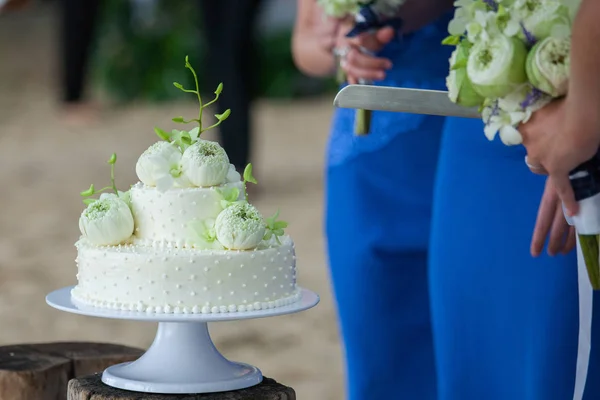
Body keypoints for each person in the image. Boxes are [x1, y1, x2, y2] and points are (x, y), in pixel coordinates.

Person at [293, 1, 454, 398]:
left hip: (469, 131)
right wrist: (342, 48)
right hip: (367, 157)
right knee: (379, 341)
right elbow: (304, 44)